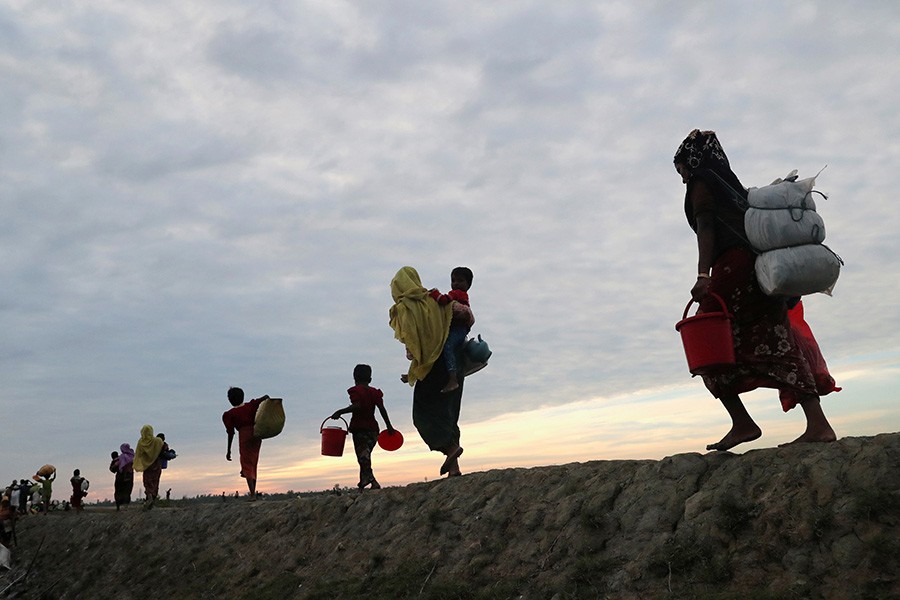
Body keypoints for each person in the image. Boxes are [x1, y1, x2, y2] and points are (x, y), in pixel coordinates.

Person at [674, 129, 837, 451]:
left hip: (733, 271)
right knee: (777, 340)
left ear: (692, 161)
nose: (680, 177)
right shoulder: (730, 184)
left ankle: (743, 423)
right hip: (759, 271)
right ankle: (818, 424)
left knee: (709, 343)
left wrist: (704, 275)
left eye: (680, 168)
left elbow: (706, 227)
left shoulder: (702, 181)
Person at [389, 266, 464, 476]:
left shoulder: (404, 308)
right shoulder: (434, 300)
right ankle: (454, 467)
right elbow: (464, 315)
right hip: (454, 366)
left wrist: (414, 368)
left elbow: (414, 348)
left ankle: (449, 449)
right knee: (449, 413)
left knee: (423, 414)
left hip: (432, 368)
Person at [331, 364, 396, 490]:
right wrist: (389, 426)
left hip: (360, 429)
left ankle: (372, 480)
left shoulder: (355, 391)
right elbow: (382, 409)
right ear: (370, 379)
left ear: (354, 378)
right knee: (364, 456)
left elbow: (357, 406)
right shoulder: (375, 393)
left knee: (363, 457)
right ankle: (363, 482)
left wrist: (340, 412)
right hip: (373, 430)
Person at [429, 266, 475, 393]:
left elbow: (443, 300)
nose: (456, 284)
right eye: (453, 280)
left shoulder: (456, 294)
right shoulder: (461, 294)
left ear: (468, 284)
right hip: (460, 329)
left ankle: (453, 379)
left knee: (448, 346)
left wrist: (434, 293)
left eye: (460, 281)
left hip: (459, 329)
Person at [223, 387, 270, 501]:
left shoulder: (229, 414)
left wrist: (228, 450)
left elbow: (230, 433)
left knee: (246, 463)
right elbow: (264, 398)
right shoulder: (251, 405)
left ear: (230, 399)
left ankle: (253, 494)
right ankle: (253, 492)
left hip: (244, 436)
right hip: (256, 434)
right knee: (253, 463)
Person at [133, 424, 166, 509]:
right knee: (155, 482)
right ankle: (153, 499)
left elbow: (139, 454)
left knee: (147, 482)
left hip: (147, 466)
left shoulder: (141, 442)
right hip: (156, 465)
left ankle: (149, 495)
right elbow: (164, 448)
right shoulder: (157, 441)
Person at [114, 444, 135, 510]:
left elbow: (114, 467)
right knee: (127, 491)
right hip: (129, 476)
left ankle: (118, 506)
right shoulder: (133, 456)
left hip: (120, 476)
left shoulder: (121, 457)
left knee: (119, 491)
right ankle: (125, 506)